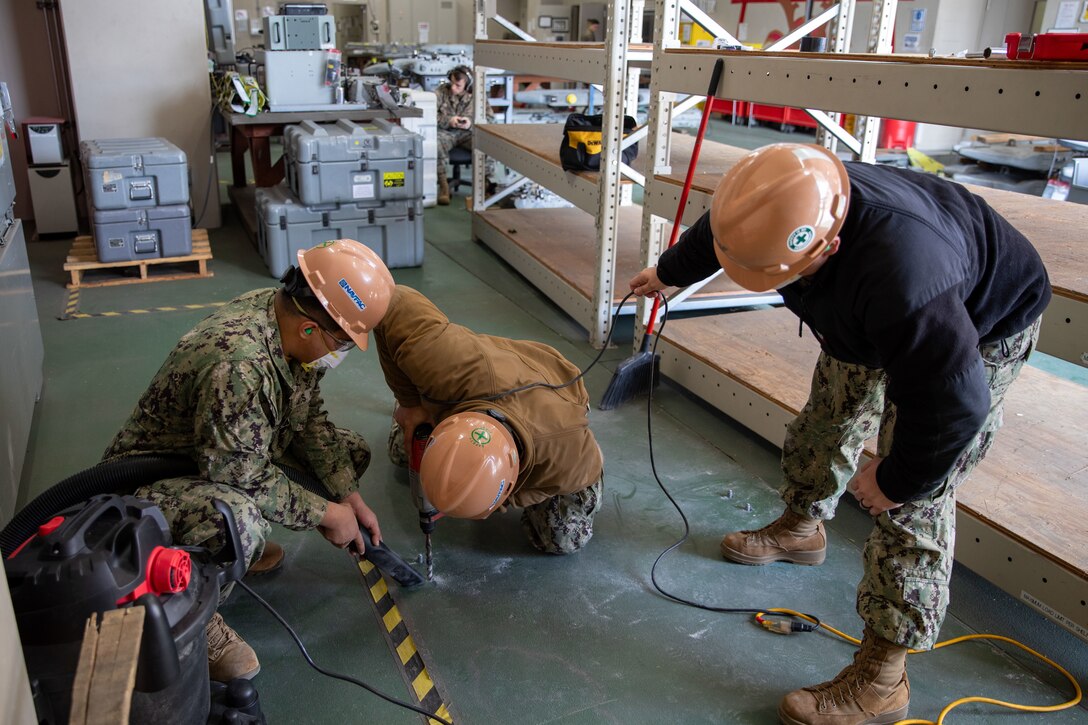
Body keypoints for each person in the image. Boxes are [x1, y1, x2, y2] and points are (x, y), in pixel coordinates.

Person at [629, 143, 1050, 724]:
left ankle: (882, 679)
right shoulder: (788, 191)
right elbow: (726, 231)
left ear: (826, 245)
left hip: (980, 327)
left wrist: (901, 477)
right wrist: (669, 270)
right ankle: (801, 529)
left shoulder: (905, 281)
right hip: (866, 313)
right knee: (824, 423)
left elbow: (954, 403)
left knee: (916, 505)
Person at [103, 239, 396, 683]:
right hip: (152, 484)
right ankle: (187, 613)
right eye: (343, 342)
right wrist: (324, 512)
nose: (342, 353)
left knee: (348, 454)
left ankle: (230, 554)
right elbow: (237, 474)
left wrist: (348, 497)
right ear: (311, 329)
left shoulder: (286, 314)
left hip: (219, 451)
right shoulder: (239, 363)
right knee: (238, 521)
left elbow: (308, 417)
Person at [376, 286, 603, 554]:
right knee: (401, 451)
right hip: (494, 370)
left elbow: (589, 466)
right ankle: (424, 413)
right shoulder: (449, 367)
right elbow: (389, 301)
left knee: (563, 539)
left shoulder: (568, 456)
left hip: (557, 388)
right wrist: (410, 404)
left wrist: (506, 499)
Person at [435, 65, 479, 206]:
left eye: (458, 85)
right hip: (446, 132)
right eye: (452, 83)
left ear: (468, 85)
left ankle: (485, 187)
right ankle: (444, 187)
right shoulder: (441, 92)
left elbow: (489, 118)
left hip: (467, 134)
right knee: (435, 144)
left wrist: (470, 123)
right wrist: (448, 120)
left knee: (487, 144)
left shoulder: (477, 96)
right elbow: (429, 114)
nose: (453, 88)